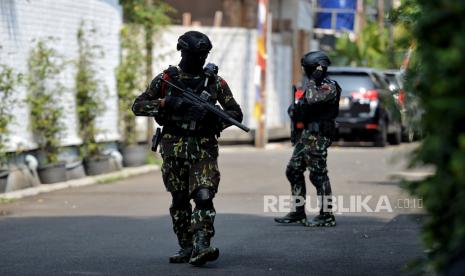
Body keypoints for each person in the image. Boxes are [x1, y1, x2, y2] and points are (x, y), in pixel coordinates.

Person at [132, 31, 243, 265]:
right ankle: (186, 246)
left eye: (204, 55)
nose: (200, 59)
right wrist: (168, 103)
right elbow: (138, 106)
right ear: (182, 52)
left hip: (203, 148)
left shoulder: (215, 82)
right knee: (180, 199)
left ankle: (203, 245)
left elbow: (235, 113)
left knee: (203, 195)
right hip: (174, 148)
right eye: (195, 54)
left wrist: (213, 118)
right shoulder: (166, 80)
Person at [274, 51, 341, 227]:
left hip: (319, 137)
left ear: (317, 68)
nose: (306, 73)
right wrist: (295, 110)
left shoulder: (329, 86)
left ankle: (327, 215)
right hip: (306, 136)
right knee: (293, 170)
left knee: (318, 175)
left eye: (308, 69)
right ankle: (298, 212)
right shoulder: (313, 85)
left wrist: (312, 81)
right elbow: (305, 106)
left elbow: (312, 99)